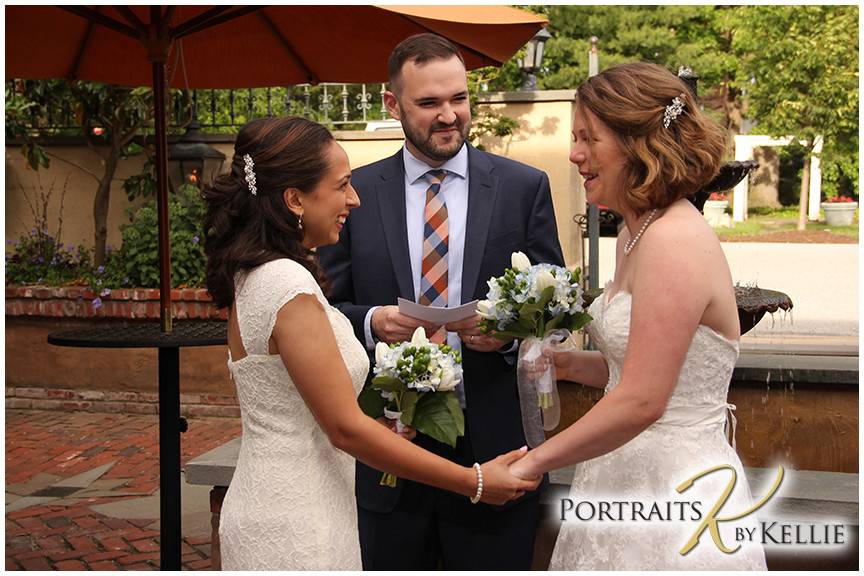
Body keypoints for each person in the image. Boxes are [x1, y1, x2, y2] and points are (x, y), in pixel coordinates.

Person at [202, 116, 540, 571]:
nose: (354, 198)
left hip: (279, 498)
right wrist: (474, 481)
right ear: (295, 199)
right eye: (341, 185)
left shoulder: (257, 274)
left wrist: (386, 429)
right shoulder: (286, 284)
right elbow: (344, 428)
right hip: (299, 520)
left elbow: (304, 409)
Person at [317, 33, 565, 570]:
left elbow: (555, 301)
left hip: (496, 446)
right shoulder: (354, 194)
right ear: (393, 105)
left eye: (459, 98)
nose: (449, 115)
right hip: (389, 442)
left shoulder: (523, 187)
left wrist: (508, 330)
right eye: (429, 103)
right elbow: (322, 306)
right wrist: (373, 321)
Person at [509, 62, 768, 570]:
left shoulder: (674, 240)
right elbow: (636, 368)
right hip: (617, 477)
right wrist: (566, 365)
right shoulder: (636, 233)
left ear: (638, 144)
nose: (574, 154)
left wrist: (531, 463)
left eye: (589, 139)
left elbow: (645, 399)